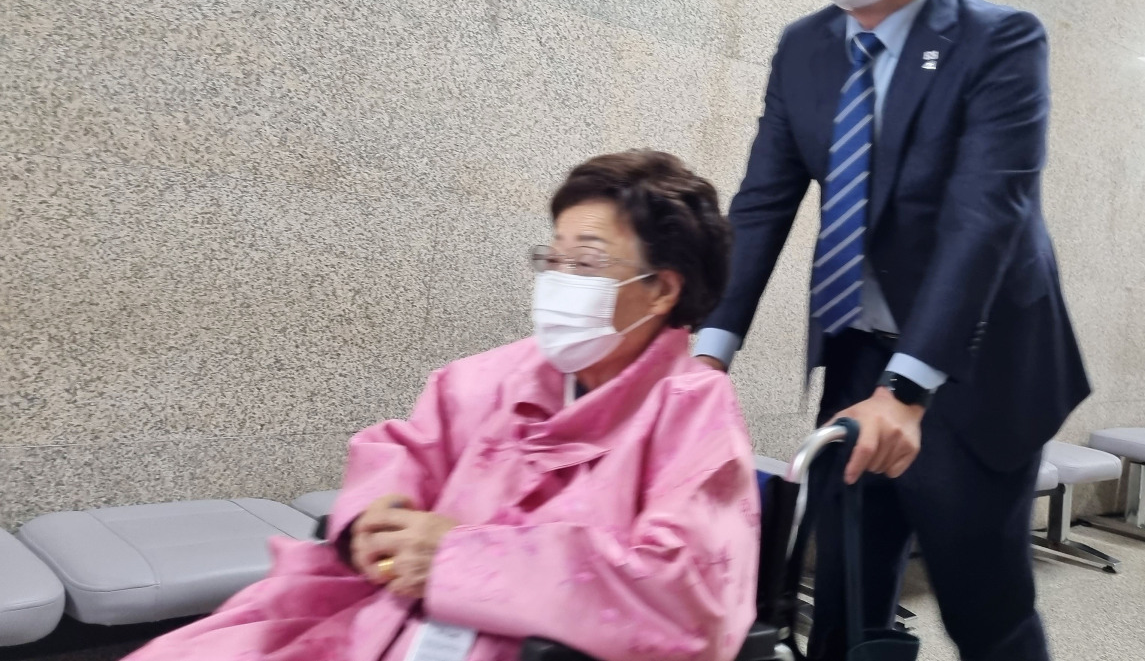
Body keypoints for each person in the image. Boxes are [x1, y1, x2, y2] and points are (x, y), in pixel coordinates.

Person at [692, 0, 1089, 660]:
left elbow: (988, 215)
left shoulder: (1000, 41)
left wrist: (909, 391)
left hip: (974, 364)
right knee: (842, 602)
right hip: (860, 355)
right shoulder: (805, 48)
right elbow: (762, 203)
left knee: (986, 609)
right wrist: (705, 351)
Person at [126, 150, 759, 661]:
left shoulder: (693, 411)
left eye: (587, 262)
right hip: (390, 612)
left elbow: (689, 595)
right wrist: (380, 515)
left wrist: (461, 560)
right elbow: (405, 447)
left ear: (661, 291)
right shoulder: (500, 373)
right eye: (553, 258)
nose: (559, 281)